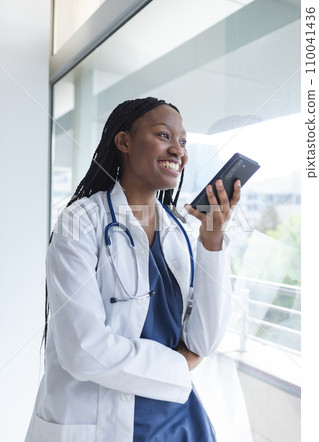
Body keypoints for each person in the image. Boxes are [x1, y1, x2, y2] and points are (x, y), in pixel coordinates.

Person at [25, 97, 241, 442]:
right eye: (164, 135)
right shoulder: (80, 223)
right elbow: (82, 350)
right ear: (124, 142)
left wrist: (212, 243)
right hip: (100, 424)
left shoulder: (180, 232)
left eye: (183, 141)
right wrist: (179, 365)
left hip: (179, 424)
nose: (178, 151)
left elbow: (205, 340)